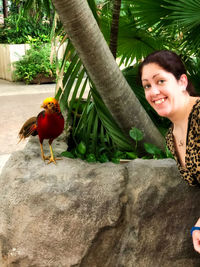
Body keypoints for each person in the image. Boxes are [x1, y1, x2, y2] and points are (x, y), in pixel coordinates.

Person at [138, 49, 200, 253]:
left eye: (160, 81)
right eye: (147, 85)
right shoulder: (171, 138)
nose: (153, 92)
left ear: (182, 81)